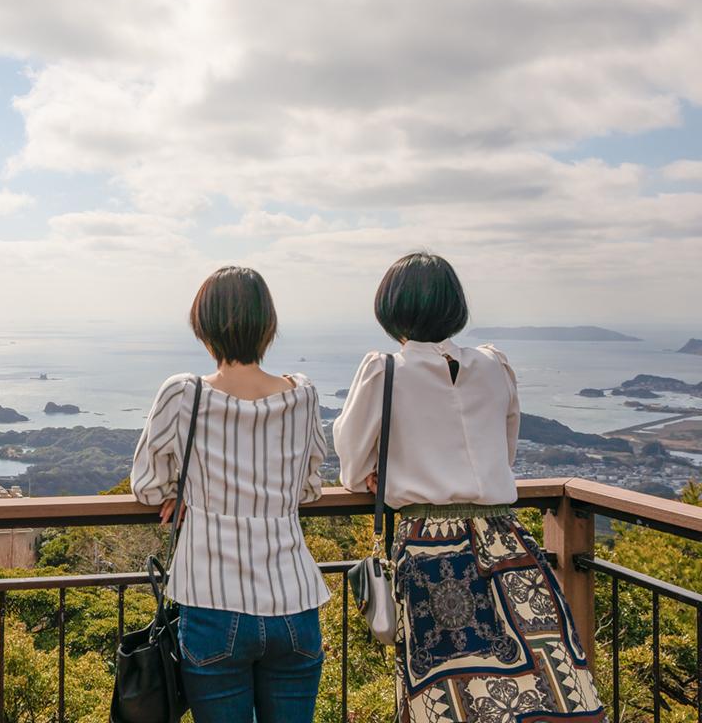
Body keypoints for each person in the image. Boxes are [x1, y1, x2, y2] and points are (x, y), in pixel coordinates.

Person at [334, 252, 606, 722]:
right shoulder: (494, 364)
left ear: (391, 308)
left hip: (429, 550)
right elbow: (504, 452)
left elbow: (352, 466)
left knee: (447, 695)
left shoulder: (385, 370)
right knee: (544, 680)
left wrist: (385, 471)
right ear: (455, 306)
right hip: (506, 540)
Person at [130, 266, 328, 723]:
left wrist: (182, 490)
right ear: (267, 327)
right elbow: (311, 487)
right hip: (293, 600)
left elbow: (145, 485)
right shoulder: (304, 395)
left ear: (205, 329)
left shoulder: (184, 393)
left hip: (212, 602)